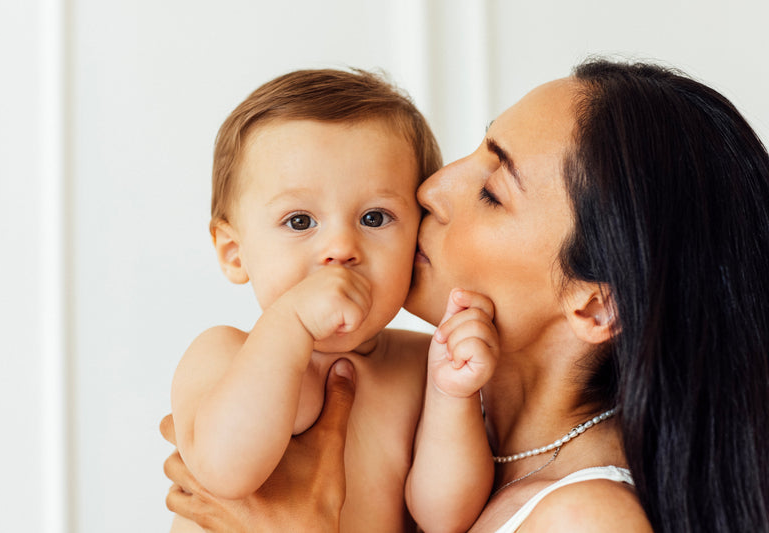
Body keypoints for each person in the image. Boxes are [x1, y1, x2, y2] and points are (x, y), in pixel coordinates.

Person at [163, 57, 769, 532]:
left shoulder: (583, 518)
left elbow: (439, 510)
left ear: (593, 304)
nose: (428, 188)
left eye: (492, 190)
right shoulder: (466, 410)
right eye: (301, 221)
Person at [169, 67, 499, 533]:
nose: (341, 247)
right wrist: (290, 323)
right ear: (234, 253)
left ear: (418, 239)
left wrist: (452, 395)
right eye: (300, 221)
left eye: (374, 217)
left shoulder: (421, 365)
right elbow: (226, 472)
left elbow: (445, 517)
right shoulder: (223, 354)